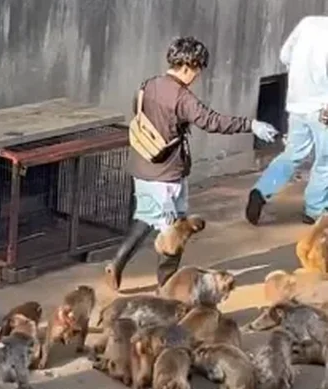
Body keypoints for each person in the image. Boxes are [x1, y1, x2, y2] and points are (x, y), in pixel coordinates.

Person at [103, 36, 279, 291]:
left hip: (143, 166)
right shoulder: (182, 98)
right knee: (175, 233)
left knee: (146, 216)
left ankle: (116, 262)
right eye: (198, 69)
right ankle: (168, 287)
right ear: (189, 66)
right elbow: (212, 121)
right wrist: (250, 124)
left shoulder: (148, 85)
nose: (198, 76)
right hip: (166, 174)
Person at [246, 16, 328, 226]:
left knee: (292, 154)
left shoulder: (308, 23)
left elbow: (285, 56)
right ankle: (316, 210)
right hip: (323, 108)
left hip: (296, 103)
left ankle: (261, 190)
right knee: (325, 161)